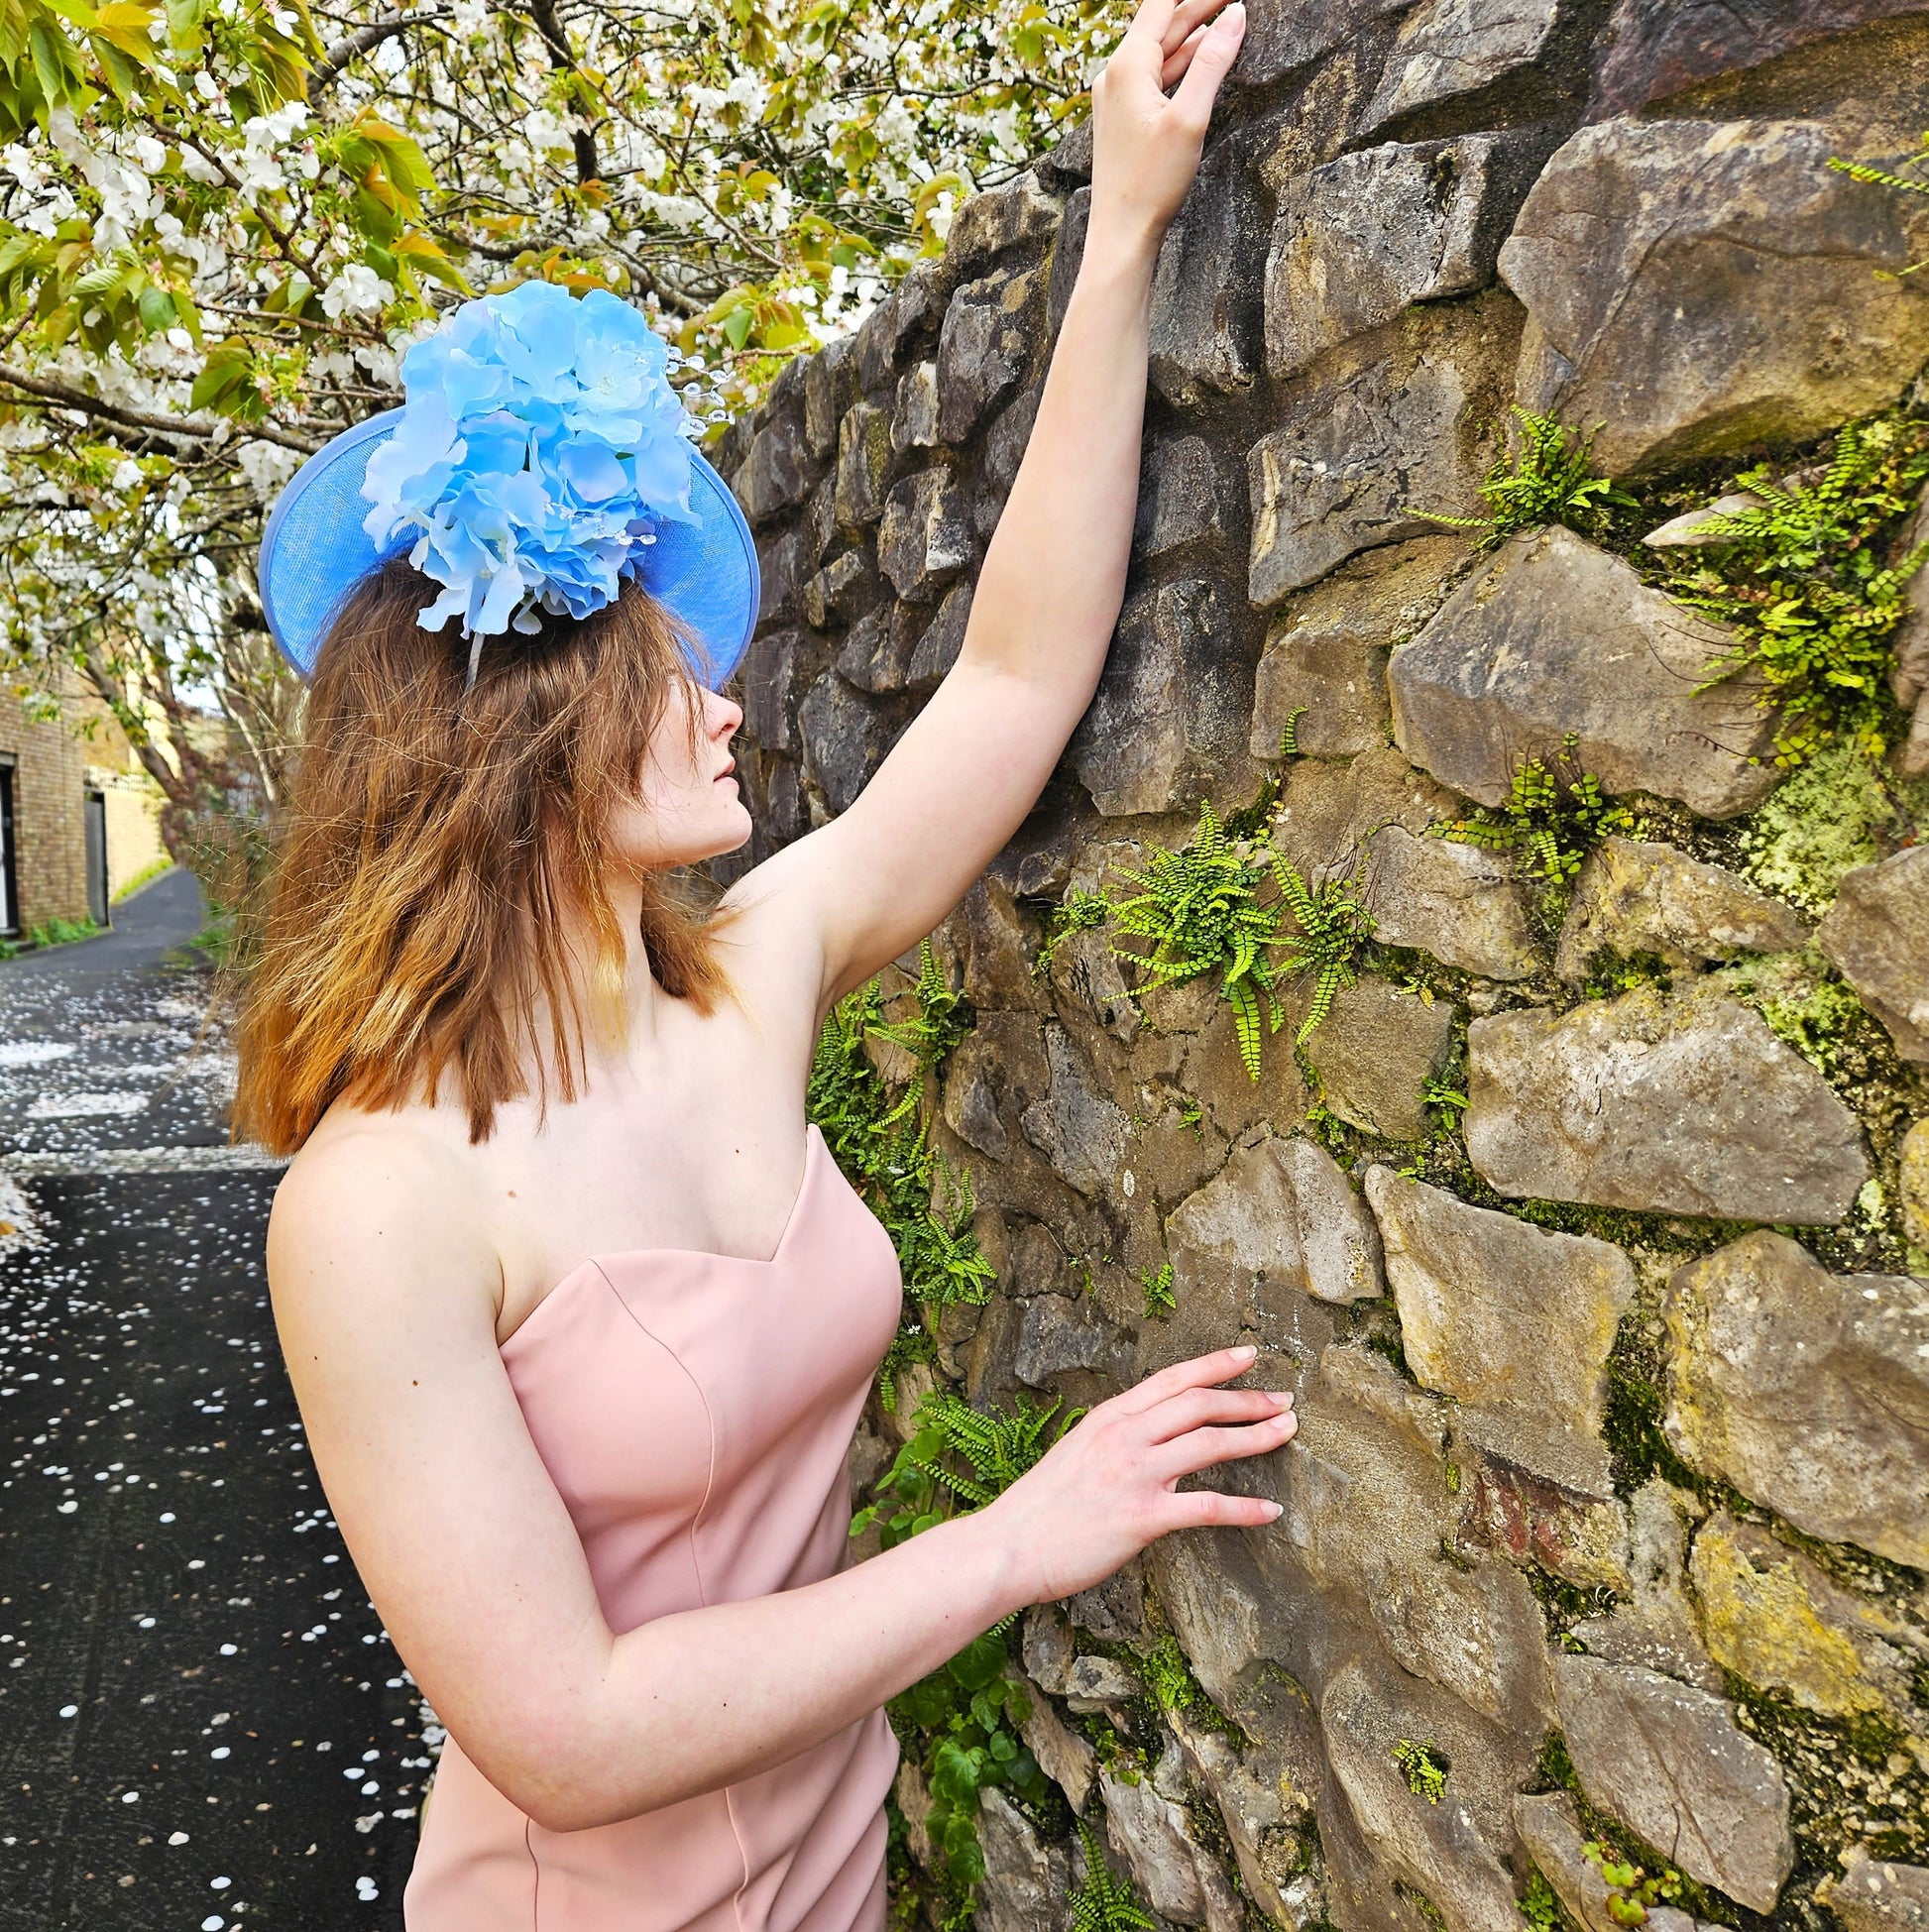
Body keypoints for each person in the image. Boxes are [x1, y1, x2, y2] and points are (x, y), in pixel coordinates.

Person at [238, 2, 1297, 1927]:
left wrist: (1125, 227)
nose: (725, 701)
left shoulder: (754, 969)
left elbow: (1013, 678)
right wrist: (1011, 1544)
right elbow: (562, 1727)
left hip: (837, 1868)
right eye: (671, 669)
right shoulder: (373, 1206)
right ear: (529, 737)